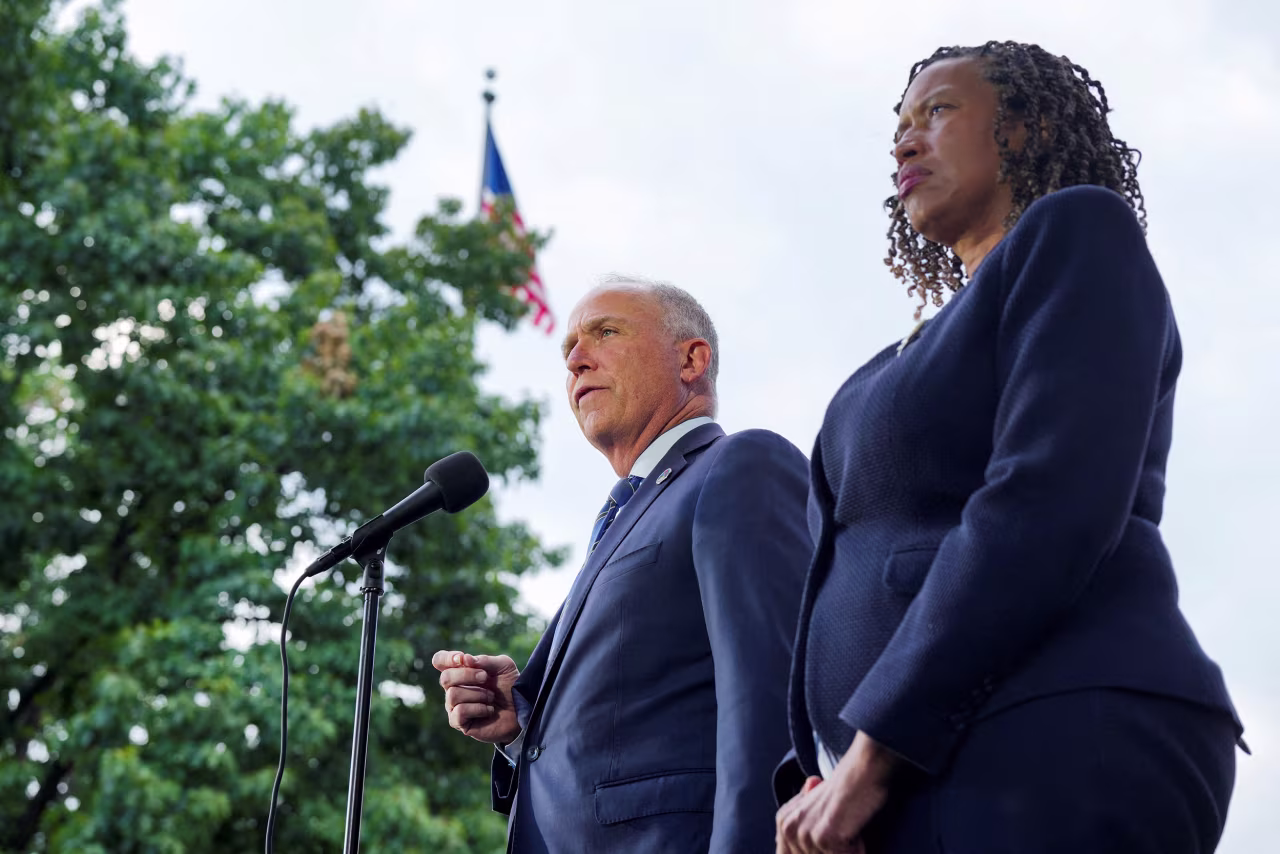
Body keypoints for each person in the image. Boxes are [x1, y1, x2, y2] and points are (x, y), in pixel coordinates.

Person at [775, 41, 1246, 854]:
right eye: (899, 127)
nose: (906, 141)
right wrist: (821, 771)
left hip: (1051, 728)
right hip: (898, 782)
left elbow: (1045, 503)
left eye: (939, 112)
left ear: (1025, 130)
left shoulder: (1080, 231)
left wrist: (871, 755)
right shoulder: (883, 366)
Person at [434, 277, 811, 853]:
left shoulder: (739, 466)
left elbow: (773, 704)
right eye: (567, 354)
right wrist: (522, 723)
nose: (577, 361)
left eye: (604, 333)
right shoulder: (628, 514)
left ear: (691, 360)